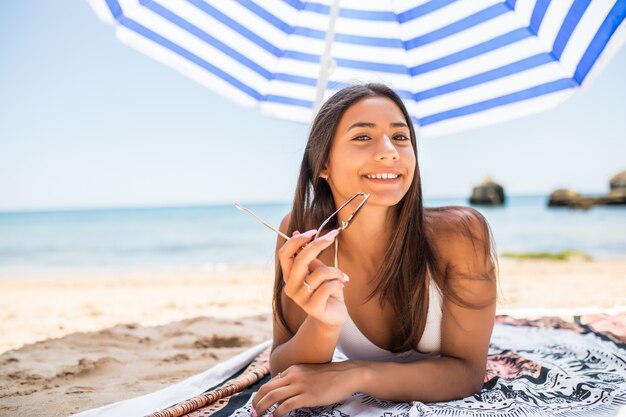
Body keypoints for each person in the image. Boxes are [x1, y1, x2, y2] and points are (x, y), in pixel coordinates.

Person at [251, 83, 498, 417]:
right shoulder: (304, 234)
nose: (389, 151)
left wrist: (356, 374)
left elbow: (467, 373)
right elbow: (284, 367)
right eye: (363, 137)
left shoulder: (461, 233)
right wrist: (324, 325)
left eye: (400, 137)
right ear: (323, 164)